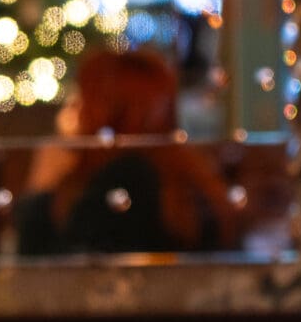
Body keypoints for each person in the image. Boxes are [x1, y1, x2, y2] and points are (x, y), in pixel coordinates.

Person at [15, 47, 235, 257]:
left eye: (82, 97)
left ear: (106, 107)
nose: (74, 108)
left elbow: (55, 264)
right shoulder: (178, 169)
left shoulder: (127, 175)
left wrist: (43, 190)